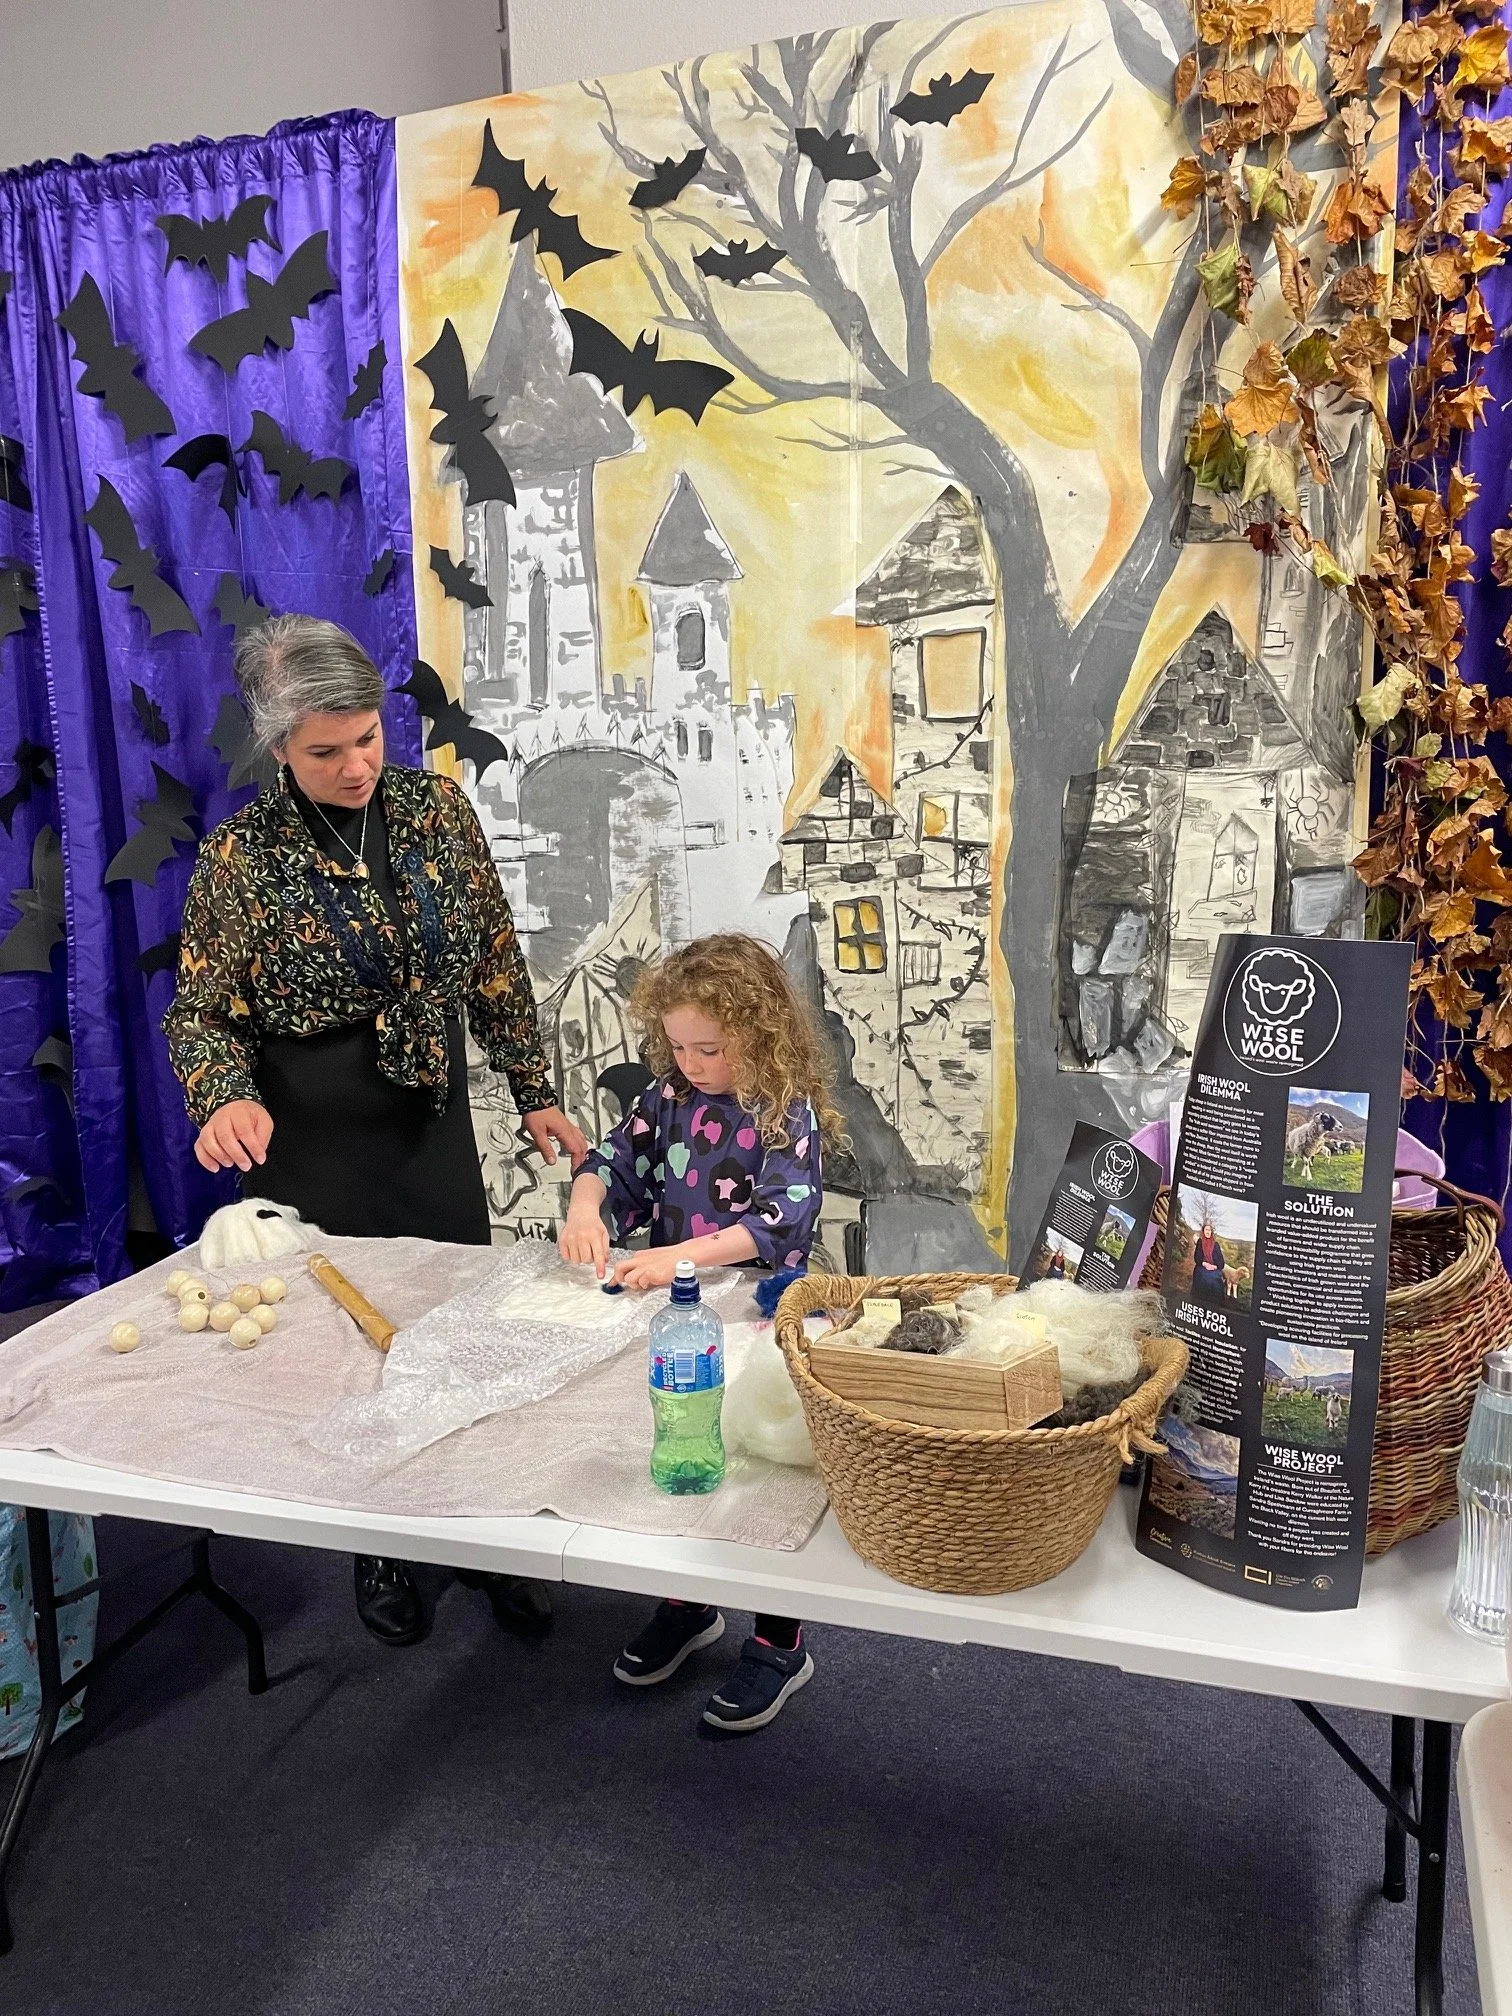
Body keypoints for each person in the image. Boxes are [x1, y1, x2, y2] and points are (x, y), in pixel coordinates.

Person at [164, 615, 587, 1647]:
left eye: (367, 739)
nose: (356, 765)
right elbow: (202, 1013)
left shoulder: (438, 812)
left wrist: (533, 1087)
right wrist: (223, 1094)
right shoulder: (240, 860)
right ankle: (381, 1539)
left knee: (461, 1327)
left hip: (426, 1111)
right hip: (311, 1130)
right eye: (326, 751)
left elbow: (492, 962)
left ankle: (485, 1537)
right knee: (355, 1346)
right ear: (278, 749)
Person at [559, 934, 841, 1734]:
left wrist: (673, 1253)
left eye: (708, 1048)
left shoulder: (783, 1110)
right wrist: (587, 1205)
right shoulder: (666, 1098)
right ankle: (688, 1602)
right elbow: (613, 1163)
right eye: (678, 1046)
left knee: (759, 1472)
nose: (690, 1063)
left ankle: (779, 1642)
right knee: (686, 1449)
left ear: (759, 1032)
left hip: (752, 1309)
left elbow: (775, 1222)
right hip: (679, 1309)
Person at [1189, 1218, 1227, 1300]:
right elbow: (1197, 1258)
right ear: (1203, 1231)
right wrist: (1205, 1264)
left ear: (1211, 1232)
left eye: (1209, 1230)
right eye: (1206, 1229)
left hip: (1214, 1268)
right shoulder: (1200, 1242)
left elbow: (1221, 1263)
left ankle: (1215, 1302)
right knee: (1203, 1276)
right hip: (1202, 1266)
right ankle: (1199, 1300)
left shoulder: (1216, 1244)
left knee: (1215, 1278)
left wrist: (1214, 1267)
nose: (1208, 1232)